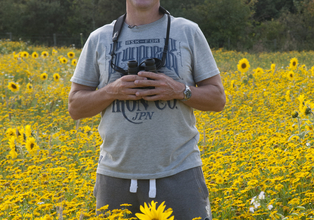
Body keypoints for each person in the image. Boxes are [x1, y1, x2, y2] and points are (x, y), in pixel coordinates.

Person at [68, 0, 226, 219]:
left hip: (180, 174)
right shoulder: (99, 38)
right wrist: (111, 91)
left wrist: (179, 90)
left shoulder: (187, 31)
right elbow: (75, 107)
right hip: (115, 177)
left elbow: (218, 99)